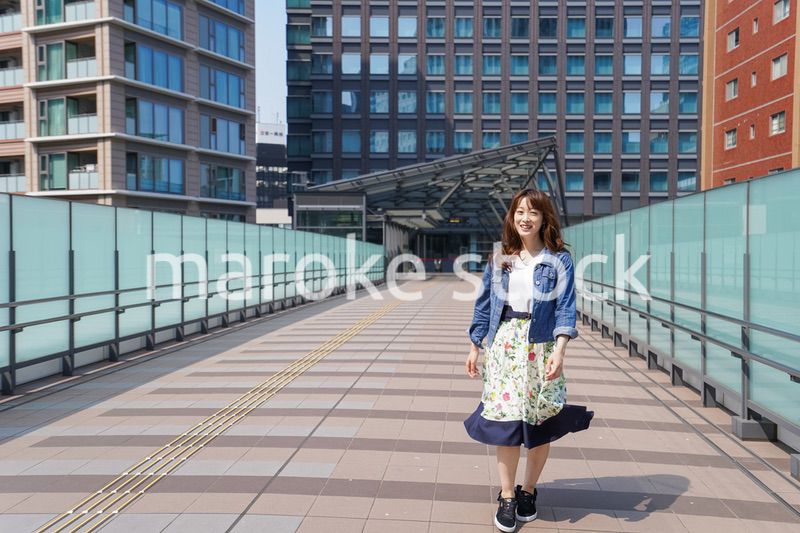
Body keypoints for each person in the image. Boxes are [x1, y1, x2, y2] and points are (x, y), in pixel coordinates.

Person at [464, 189, 594, 532]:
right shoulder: (500, 258)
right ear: (512, 217)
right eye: (520, 211)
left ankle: (529, 491)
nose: (525, 218)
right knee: (504, 422)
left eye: (533, 212)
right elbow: (484, 305)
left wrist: (560, 351)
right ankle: (507, 495)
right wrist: (475, 345)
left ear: (544, 218)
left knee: (540, 421)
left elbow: (566, 307)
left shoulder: (559, 260)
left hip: (542, 347)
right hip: (505, 346)